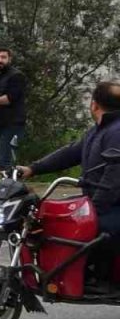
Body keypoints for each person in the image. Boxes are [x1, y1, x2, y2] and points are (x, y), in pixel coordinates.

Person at [17, 81, 120, 287]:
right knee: (51, 217)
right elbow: (71, 153)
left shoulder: (116, 132)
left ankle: (96, 275)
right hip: (99, 200)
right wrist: (33, 169)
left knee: (93, 230)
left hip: (113, 204)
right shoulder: (99, 130)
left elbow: (114, 175)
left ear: (94, 104)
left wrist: (94, 208)